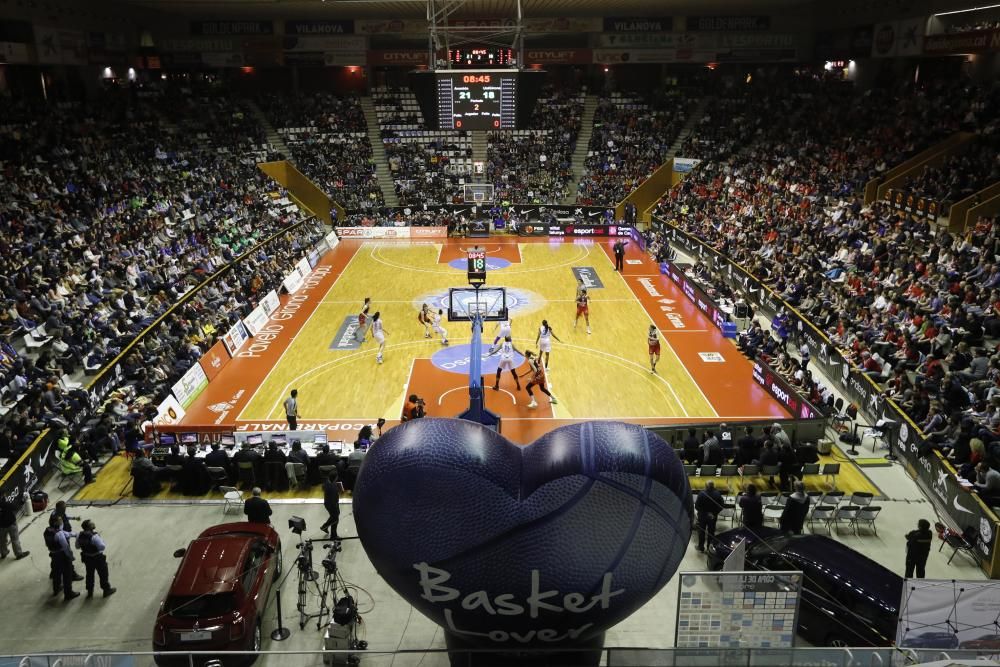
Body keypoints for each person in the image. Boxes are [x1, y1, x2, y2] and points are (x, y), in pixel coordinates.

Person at [44, 514, 80, 601]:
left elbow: (65, 534)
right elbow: (66, 547)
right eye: (60, 520)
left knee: (56, 573)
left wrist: (74, 534)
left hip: (53, 555)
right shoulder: (59, 534)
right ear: (56, 522)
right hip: (62, 556)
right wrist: (71, 557)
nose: (62, 521)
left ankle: (56, 588)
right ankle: (68, 593)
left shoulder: (48, 531)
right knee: (67, 574)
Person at [76, 519, 115, 598]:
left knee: (89, 574)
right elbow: (102, 547)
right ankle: (106, 590)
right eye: (91, 523)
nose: (93, 523)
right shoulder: (94, 536)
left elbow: (77, 546)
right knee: (103, 574)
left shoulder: (79, 535)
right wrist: (101, 540)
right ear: (89, 527)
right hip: (97, 558)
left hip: (87, 558)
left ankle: (90, 591)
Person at [695, 481, 724, 552]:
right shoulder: (717, 494)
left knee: (701, 531)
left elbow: (696, 506)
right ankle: (709, 548)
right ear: (713, 486)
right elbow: (721, 506)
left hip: (702, 516)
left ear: (706, 486)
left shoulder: (701, 493)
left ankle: (701, 547)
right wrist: (714, 513)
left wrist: (704, 512)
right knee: (711, 532)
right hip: (712, 516)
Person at [320, 471, 341, 538]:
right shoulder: (332, 488)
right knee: (335, 519)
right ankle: (333, 535)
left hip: (328, 503)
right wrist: (336, 508)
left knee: (333, 517)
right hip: (332, 505)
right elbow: (334, 499)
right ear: (335, 478)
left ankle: (324, 527)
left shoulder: (327, 482)